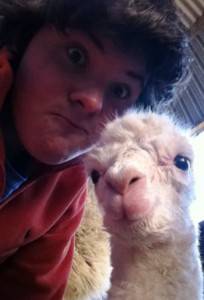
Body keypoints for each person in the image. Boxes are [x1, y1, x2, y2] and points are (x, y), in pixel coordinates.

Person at [0, 0, 188, 299]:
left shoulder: (70, 187)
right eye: (76, 56)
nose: (92, 101)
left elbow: (31, 289)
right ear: (27, 36)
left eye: (120, 91)